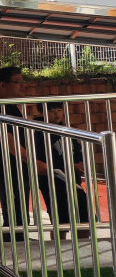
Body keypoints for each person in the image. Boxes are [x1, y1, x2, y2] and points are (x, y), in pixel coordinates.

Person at [0, 66, 38, 242]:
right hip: (7, 170)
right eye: (18, 82)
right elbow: (8, 141)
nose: (23, 86)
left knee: (19, 215)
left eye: (23, 82)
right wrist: (33, 162)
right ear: (3, 85)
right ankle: (13, 253)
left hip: (17, 169)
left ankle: (17, 250)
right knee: (15, 217)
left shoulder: (11, 108)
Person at [33, 102, 90, 240]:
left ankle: (83, 246)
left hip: (72, 180)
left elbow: (77, 149)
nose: (56, 114)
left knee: (84, 217)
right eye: (52, 111)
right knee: (59, 220)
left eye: (59, 110)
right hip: (53, 182)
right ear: (42, 112)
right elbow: (43, 160)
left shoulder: (65, 129)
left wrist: (80, 162)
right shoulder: (39, 132)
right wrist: (71, 166)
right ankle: (58, 248)